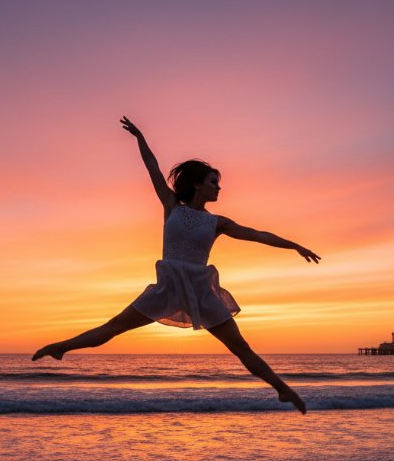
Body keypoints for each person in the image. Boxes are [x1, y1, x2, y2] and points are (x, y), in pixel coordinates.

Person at [32, 117, 320, 414]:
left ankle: (283, 389)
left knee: (241, 348)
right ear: (197, 184)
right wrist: (140, 137)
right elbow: (153, 169)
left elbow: (258, 235)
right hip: (167, 288)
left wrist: (295, 246)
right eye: (213, 183)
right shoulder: (171, 206)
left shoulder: (217, 222)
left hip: (200, 292)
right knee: (114, 326)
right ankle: (61, 347)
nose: (219, 188)